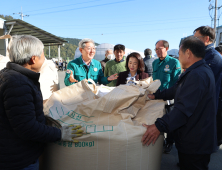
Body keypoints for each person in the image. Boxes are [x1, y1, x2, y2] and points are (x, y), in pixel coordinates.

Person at [0, 35, 84, 170]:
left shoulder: (10, 75)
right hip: (18, 160)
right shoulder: (18, 83)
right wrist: (60, 134)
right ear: (34, 58)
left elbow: (21, 116)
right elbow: (27, 128)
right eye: (43, 55)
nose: (45, 59)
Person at [142, 36, 217, 170]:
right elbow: (177, 89)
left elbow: (183, 109)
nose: (178, 57)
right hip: (195, 137)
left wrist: (158, 126)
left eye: (180, 53)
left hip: (196, 142)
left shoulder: (197, 75)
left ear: (188, 53)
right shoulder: (197, 71)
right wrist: (156, 95)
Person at [194, 26, 222, 146]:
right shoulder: (203, 55)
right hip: (199, 102)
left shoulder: (214, 57)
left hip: (206, 104)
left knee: (202, 140)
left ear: (206, 39)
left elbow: (199, 81)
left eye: (196, 38)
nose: (194, 41)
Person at [153, 40, 181, 153]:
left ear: (166, 48)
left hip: (169, 100)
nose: (158, 51)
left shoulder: (174, 62)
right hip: (157, 98)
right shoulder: (155, 62)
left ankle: (169, 142)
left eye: (160, 48)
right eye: (156, 49)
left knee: (170, 123)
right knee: (157, 121)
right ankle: (160, 141)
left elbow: (177, 83)